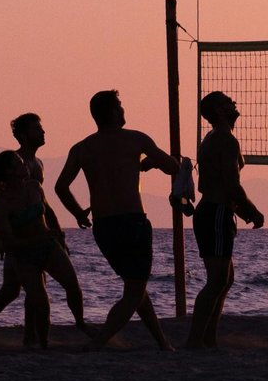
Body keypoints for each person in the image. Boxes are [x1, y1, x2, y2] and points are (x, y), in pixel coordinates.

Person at [54, 90, 180, 350]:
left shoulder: (82, 148)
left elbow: (61, 187)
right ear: (113, 112)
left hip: (103, 227)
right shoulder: (136, 139)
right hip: (132, 222)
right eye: (120, 106)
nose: (124, 111)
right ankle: (99, 342)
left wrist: (78, 212)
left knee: (135, 287)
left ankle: (162, 343)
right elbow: (173, 167)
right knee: (134, 290)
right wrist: (153, 162)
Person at [0, 113, 87, 343]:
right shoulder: (13, 162)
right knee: (14, 290)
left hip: (40, 237)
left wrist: (59, 233)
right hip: (19, 240)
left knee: (25, 291)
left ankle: (30, 336)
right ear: (23, 135)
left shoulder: (37, 164)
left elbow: (43, 204)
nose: (42, 132)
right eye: (36, 129)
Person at [181, 91, 264, 349]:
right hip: (215, 212)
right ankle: (196, 341)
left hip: (217, 211)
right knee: (217, 280)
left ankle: (208, 340)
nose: (234, 105)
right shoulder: (225, 140)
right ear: (218, 110)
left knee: (225, 280)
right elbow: (231, 184)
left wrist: (239, 210)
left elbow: (219, 181)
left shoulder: (213, 138)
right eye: (229, 102)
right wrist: (252, 210)